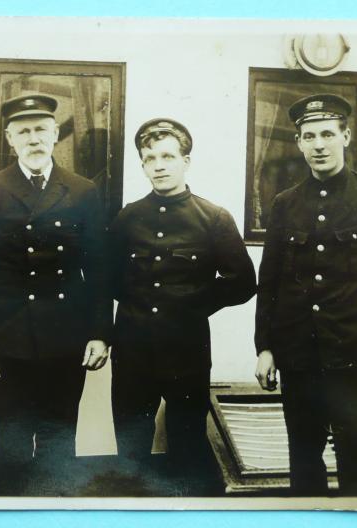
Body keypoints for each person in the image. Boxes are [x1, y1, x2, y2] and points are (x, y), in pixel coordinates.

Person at [0, 94, 112, 494]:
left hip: (66, 339)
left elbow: (97, 269)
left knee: (60, 441)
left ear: (55, 134)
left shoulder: (82, 191)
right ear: (11, 140)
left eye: (41, 129)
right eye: (23, 131)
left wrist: (99, 333)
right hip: (7, 342)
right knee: (11, 445)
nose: (34, 138)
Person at [254, 94, 357, 496]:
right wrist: (265, 347)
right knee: (304, 461)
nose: (319, 144)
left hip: (354, 354)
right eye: (309, 136)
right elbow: (269, 282)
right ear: (299, 143)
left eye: (327, 133)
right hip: (299, 355)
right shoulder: (285, 204)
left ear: (346, 136)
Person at [108, 118, 256, 493]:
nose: (158, 165)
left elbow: (243, 282)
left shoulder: (213, 218)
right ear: (142, 165)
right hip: (133, 350)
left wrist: (193, 304)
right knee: (130, 446)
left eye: (167, 156)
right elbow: (107, 277)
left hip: (186, 349)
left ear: (186, 161)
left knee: (188, 441)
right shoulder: (129, 217)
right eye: (149, 158)